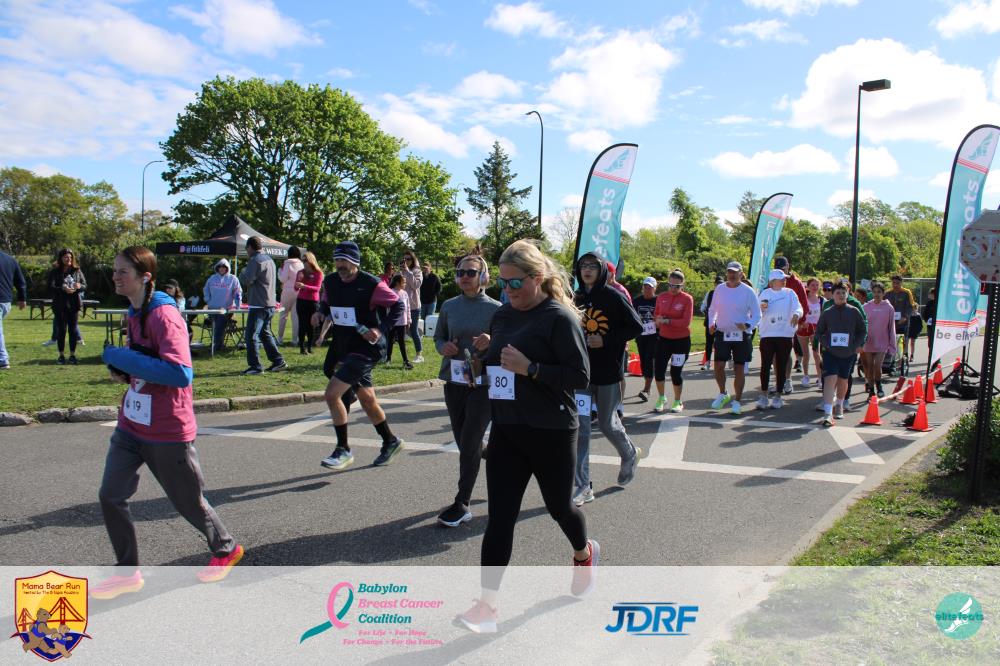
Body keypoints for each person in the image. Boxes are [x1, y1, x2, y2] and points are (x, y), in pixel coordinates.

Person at [457, 240, 594, 634]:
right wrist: (478, 365)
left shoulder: (558, 318)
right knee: (499, 519)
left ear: (537, 278)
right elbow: (500, 364)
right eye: (503, 283)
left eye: (515, 283)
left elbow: (579, 377)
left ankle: (583, 553)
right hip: (508, 429)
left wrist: (531, 368)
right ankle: (487, 606)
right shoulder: (502, 316)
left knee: (559, 508)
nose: (508, 291)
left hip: (552, 431)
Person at [94, 246, 243, 600]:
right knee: (110, 495)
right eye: (114, 270)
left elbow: (180, 373)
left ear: (145, 277)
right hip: (131, 424)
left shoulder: (164, 315)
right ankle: (126, 573)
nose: (115, 277)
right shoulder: (134, 311)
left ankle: (226, 548)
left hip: (167, 429)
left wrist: (122, 358)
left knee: (188, 501)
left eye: (122, 272)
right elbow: (145, 362)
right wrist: (124, 370)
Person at [314, 241, 406, 470]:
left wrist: (380, 329)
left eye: (344, 260)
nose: (340, 265)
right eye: (337, 260)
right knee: (367, 399)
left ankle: (343, 449)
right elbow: (326, 301)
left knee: (332, 394)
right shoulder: (331, 281)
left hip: (367, 347)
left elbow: (398, 306)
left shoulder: (372, 284)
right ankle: (390, 441)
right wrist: (320, 312)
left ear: (355, 262)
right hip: (344, 344)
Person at [433, 251, 500, 527]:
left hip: (483, 384)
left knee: (470, 441)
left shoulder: (496, 308)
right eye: (460, 273)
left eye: (471, 272)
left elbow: (507, 341)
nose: (464, 277)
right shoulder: (449, 305)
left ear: (483, 277)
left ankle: (462, 503)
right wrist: (444, 347)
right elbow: (438, 337)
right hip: (455, 380)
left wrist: (492, 339)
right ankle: (495, 454)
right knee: (465, 443)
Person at [571, 253, 643, 507]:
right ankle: (583, 485)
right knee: (581, 428)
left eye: (593, 266)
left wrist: (606, 339)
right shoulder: (575, 298)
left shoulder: (613, 296)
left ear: (602, 270)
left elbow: (636, 327)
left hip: (608, 372)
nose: (587, 270)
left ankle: (629, 452)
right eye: (583, 266)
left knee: (607, 423)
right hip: (581, 373)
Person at [707, 261, 761, 415]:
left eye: (735, 272)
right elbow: (713, 309)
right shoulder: (720, 289)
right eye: (729, 272)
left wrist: (748, 325)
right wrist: (711, 323)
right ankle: (723, 393)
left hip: (741, 334)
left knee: (739, 368)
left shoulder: (748, 291)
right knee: (718, 365)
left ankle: (737, 401)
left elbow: (757, 314)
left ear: (741, 274)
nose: (731, 275)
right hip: (723, 332)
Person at [816, 282, 867, 427]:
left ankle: (839, 404)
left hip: (848, 353)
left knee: (843, 379)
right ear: (832, 295)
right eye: (838, 293)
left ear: (847, 294)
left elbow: (862, 330)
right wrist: (827, 343)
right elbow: (819, 332)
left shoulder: (854, 311)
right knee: (830, 378)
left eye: (843, 293)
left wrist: (856, 345)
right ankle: (827, 412)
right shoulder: (827, 312)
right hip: (831, 352)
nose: (841, 295)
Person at [238, 236, 287, 375]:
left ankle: (256, 367)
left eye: (247, 249)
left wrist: (242, 272)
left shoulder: (255, 260)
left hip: (258, 304)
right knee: (265, 334)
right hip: (269, 303)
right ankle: (278, 361)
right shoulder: (269, 260)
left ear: (250, 247)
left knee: (251, 335)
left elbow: (247, 279)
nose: (247, 251)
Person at [755, 270, 803, 410]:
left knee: (781, 365)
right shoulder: (765, 293)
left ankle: (778, 396)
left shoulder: (790, 293)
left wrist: (796, 314)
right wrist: (762, 309)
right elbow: (759, 310)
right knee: (765, 365)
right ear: (772, 281)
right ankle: (764, 396)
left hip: (785, 334)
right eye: (781, 279)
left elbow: (798, 307)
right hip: (768, 334)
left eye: (784, 279)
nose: (784, 280)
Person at [652, 270, 694, 413]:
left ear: (682, 285)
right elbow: (656, 315)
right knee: (658, 371)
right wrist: (658, 320)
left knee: (675, 373)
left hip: (681, 341)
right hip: (664, 339)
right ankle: (661, 398)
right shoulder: (661, 297)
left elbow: (685, 322)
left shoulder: (687, 299)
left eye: (677, 286)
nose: (673, 288)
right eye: (670, 285)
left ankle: (677, 401)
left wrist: (668, 321)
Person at [772, 257, 809, 394]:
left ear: (788, 267)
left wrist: (801, 319)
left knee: (786, 352)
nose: (781, 271)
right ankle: (779, 381)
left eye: (783, 268)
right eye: (778, 269)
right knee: (775, 353)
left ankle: (787, 380)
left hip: (789, 323)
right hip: (774, 323)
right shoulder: (772, 281)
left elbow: (804, 303)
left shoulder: (796, 282)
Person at [47, 248, 86, 366]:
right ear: (61, 258)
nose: (68, 259)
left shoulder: (77, 270)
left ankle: (72, 355)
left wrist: (79, 286)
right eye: (66, 257)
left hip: (74, 304)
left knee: (73, 330)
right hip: (60, 305)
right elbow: (49, 287)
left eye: (70, 257)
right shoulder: (55, 272)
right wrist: (62, 289)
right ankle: (61, 355)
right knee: (62, 330)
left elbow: (85, 285)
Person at [861, 281, 896, 398]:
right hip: (868, 342)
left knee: (877, 366)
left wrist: (892, 345)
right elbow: (861, 325)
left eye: (879, 292)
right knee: (869, 367)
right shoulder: (865, 307)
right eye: (874, 292)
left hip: (882, 342)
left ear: (883, 293)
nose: (876, 294)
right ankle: (871, 390)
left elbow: (891, 327)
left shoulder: (889, 308)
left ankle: (879, 385)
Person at [202, 259, 242, 353]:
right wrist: (207, 299)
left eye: (224, 267)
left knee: (219, 326)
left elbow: (238, 292)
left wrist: (238, 305)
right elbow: (205, 289)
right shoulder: (212, 278)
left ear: (227, 268)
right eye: (220, 267)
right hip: (212, 308)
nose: (222, 268)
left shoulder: (233, 279)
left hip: (226, 309)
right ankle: (217, 345)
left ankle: (215, 347)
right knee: (215, 327)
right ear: (217, 268)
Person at [632, 277, 658, 402]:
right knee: (643, 361)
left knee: (649, 360)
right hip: (641, 336)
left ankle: (647, 389)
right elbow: (632, 316)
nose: (647, 289)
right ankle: (647, 384)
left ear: (655, 288)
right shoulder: (637, 301)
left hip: (655, 336)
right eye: (645, 287)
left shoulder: (658, 300)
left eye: (650, 288)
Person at [0, 249, 27, 370]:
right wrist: (22, 298)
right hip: (6, 302)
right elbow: (21, 282)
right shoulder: (10, 260)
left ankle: (3, 360)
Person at [294, 251, 323, 354]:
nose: (304, 262)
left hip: (313, 302)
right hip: (301, 301)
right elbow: (295, 288)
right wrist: (299, 280)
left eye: (305, 260)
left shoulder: (318, 273)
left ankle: (309, 347)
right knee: (302, 324)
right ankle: (302, 348)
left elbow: (317, 288)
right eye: (303, 260)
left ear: (311, 260)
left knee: (311, 325)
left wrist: (304, 286)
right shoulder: (300, 272)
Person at [796, 278, 823, 387]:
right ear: (807, 286)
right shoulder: (803, 299)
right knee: (805, 354)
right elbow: (797, 311)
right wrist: (801, 322)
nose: (815, 287)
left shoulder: (822, 300)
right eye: (812, 285)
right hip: (803, 327)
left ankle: (820, 378)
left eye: (817, 285)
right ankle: (806, 376)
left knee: (816, 353)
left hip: (816, 329)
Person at [277, 246, 304, 347]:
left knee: (283, 315)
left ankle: (280, 339)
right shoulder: (301, 264)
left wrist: (279, 271)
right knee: (295, 316)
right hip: (298, 291)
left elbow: (283, 279)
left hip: (287, 292)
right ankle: (295, 340)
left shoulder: (287, 263)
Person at [400, 249, 424, 362]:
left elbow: (415, 285)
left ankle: (419, 355)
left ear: (413, 260)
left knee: (413, 331)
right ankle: (402, 356)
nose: (406, 261)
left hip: (414, 306)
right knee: (401, 330)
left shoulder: (417, 271)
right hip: (402, 305)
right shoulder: (402, 271)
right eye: (404, 259)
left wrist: (408, 272)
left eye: (408, 259)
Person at [386, 274, 413, 369]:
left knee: (402, 341)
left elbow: (408, 307)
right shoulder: (390, 292)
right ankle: (388, 358)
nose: (405, 284)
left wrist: (409, 320)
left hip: (402, 321)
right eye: (403, 282)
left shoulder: (405, 293)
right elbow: (387, 308)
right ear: (398, 283)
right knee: (390, 340)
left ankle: (405, 360)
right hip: (392, 322)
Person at [699, 276, 723, 370]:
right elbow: (703, 306)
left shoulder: (726, 294)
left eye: (721, 284)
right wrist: (706, 312)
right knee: (709, 343)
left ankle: (719, 362)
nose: (719, 286)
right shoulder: (709, 293)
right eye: (718, 284)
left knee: (720, 343)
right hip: (710, 322)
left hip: (721, 322)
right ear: (715, 284)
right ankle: (707, 362)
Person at [922, 288, 937, 354]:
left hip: (937, 326)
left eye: (930, 293)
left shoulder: (939, 303)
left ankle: (937, 357)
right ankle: (930, 355)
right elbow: (925, 314)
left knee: (936, 341)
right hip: (930, 326)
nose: (929, 295)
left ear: (933, 294)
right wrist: (927, 320)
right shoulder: (929, 303)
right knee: (930, 342)